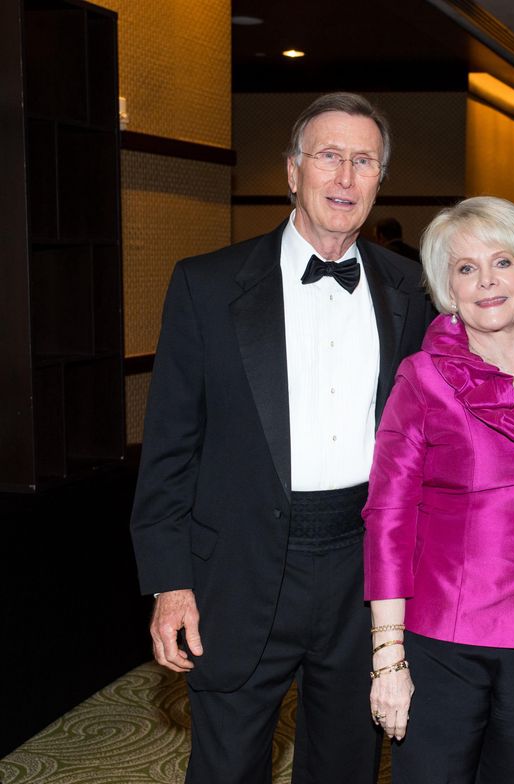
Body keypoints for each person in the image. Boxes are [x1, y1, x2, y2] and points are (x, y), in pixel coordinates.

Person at [129, 92, 432, 784]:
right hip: (238, 565)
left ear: (381, 178)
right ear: (292, 170)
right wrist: (170, 582)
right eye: (329, 157)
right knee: (227, 764)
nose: (346, 179)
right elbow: (171, 446)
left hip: (364, 572)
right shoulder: (206, 285)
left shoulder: (411, 290)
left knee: (347, 762)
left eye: (364, 161)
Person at [363, 196, 514, 783]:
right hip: (445, 635)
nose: (487, 282)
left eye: (502, 262)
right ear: (446, 286)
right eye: (466, 269)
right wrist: (388, 654)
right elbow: (389, 516)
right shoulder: (424, 378)